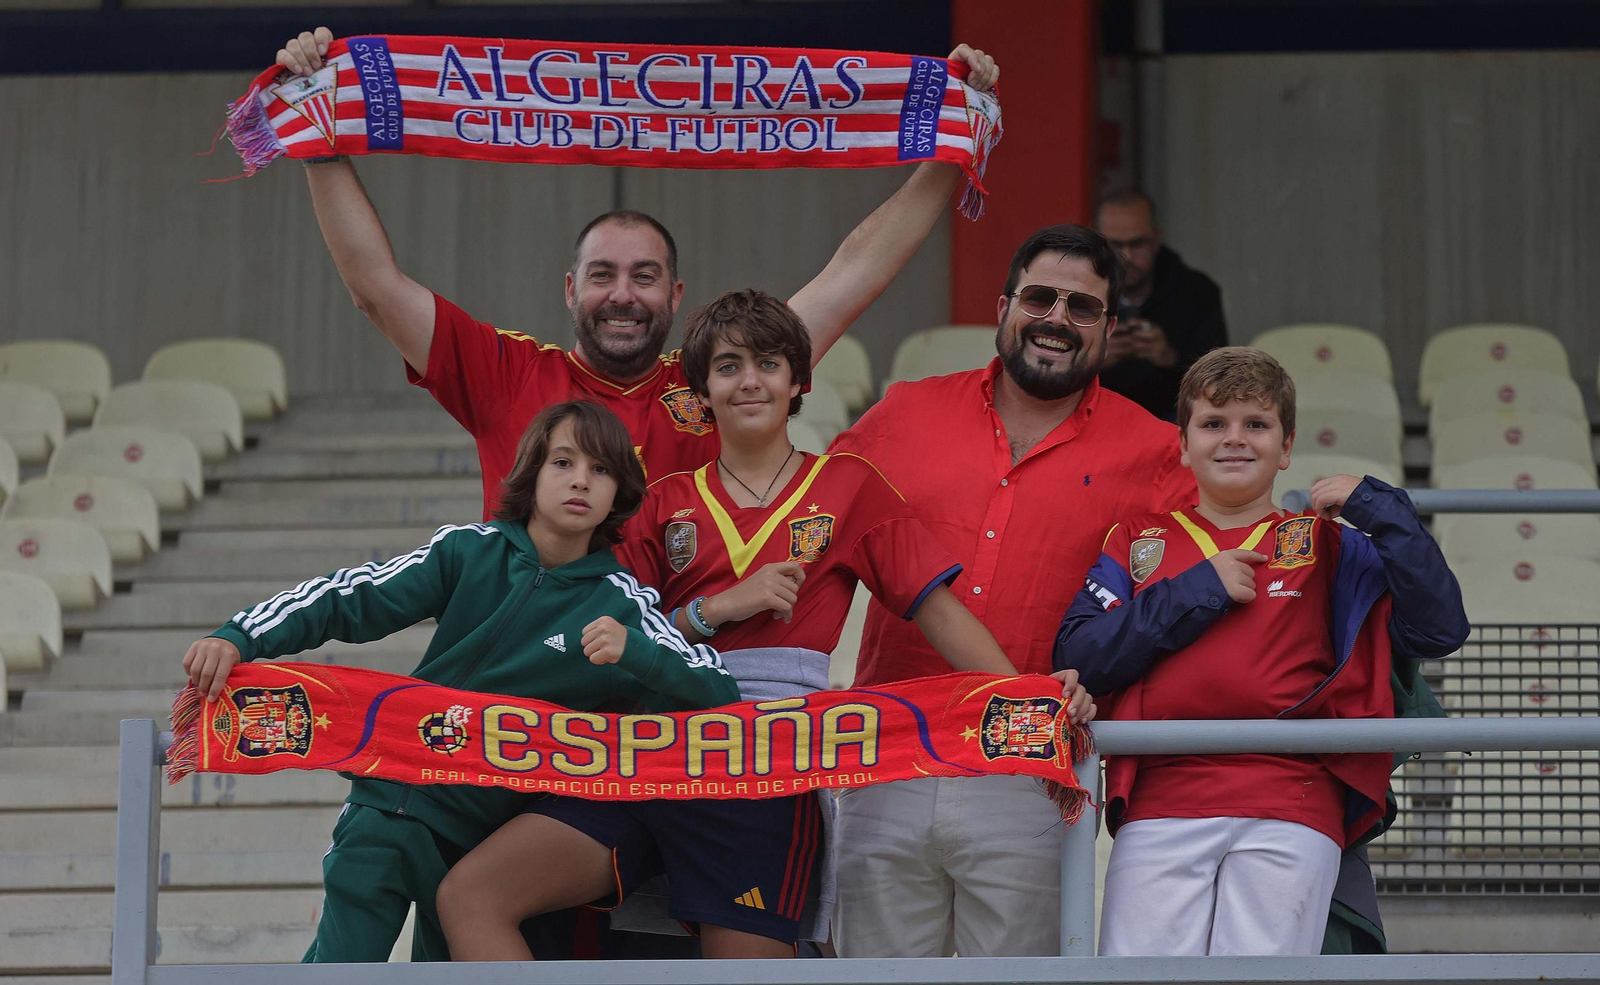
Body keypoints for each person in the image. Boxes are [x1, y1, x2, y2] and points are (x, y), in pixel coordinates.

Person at [434, 289, 1095, 960]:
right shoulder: (663, 500)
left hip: (768, 765)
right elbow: (606, 634)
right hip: (650, 747)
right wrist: (716, 609)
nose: (749, 380)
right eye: (728, 366)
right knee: (471, 895)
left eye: (769, 363)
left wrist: (1028, 701)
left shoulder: (849, 486)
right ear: (700, 391)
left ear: (799, 380)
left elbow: (941, 612)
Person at [275, 28, 1000, 512]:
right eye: (602, 275)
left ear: (676, 294)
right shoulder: (507, 375)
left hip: (680, 677)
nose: (622, 295)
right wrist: (319, 138)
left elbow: (855, 272)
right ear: (570, 289)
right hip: (534, 683)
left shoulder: (721, 383)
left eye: (645, 276)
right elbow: (375, 288)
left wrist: (951, 142)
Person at [180, 401, 741, 963]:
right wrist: (241, 636)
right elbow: (352, 597)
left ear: (618, 493)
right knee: (339, 970)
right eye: (563, 462)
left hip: (483, 842)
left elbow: (718, 690)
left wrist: (639, 654)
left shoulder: (622, 603)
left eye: (601, 470)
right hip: (388, 804)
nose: (580, 481)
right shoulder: (469, 550)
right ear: (531, 473)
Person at [825, 223, 1195, 957]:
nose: (1057, 318)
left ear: (1109, 329)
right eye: (1039, 298)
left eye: (1082, 307)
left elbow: (1178, 608)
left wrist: (1107, 685)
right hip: (891, 753)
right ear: (1003, 307)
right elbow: (809, 531)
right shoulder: (903, 413)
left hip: (1031, 771)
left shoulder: (1156, 451)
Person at [1052, 346, 1469, 956]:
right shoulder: (1137, 539)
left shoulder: (1328, 541)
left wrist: (1382, 510)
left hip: (1294, 797)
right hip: (1162, 800)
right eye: (1213, 423)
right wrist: (1198, 590)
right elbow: (1080, 655)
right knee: (1140, 976)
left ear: (1286, 446)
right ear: (1183, 444)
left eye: (1256, 423)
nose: (1234, 439)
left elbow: (1438, 630)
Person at [1094, 190, 1228, 420]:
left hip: (1173, 418)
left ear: (1156, 239)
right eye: (1115, 245)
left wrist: (1169, 358)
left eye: (1137, 244)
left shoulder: (1198, 292)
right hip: (1095, 415)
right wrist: (1094, 360)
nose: (1127, 257)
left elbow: (1218, 382)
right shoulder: (1079, 292)